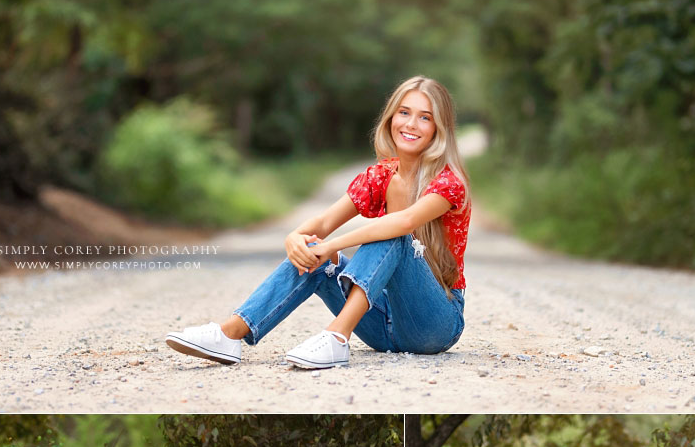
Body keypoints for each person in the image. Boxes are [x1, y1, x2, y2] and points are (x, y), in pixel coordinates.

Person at [165, 75, 471, 369]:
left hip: (434, 323)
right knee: (317, 253)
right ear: (391, 117)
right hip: (382, 325)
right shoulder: (380, 176)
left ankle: (337, 337)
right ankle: (230, 333)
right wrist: (296, 239)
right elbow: (322, 223)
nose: (410, 124)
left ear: (438, 129)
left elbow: (404, 222)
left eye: (424, 117)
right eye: (404, 112)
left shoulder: (448, 182)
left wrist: (332, 246)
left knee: (393, 236)